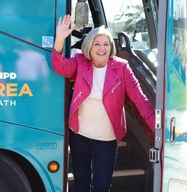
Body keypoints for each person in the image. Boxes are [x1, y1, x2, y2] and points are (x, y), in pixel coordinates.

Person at [51, 15, 155, 192]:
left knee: (101, 185)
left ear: (111, 47)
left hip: (106, 139)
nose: (102, 48)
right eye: (97, 44)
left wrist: (161, 130)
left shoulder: (122, 68)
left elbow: (140, 100)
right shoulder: (80, 62)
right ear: (89, 47)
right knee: (81, 183)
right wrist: (60, 40)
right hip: (80, 135)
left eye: (106, 44)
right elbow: (60, 66)